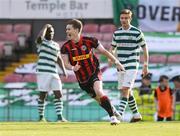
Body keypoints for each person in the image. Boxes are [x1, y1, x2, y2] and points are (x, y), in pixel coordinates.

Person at [60, 19, 125, 125]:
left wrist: (116, 61)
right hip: (82, 80)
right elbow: (66, 64)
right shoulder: (65, 47)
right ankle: (112, 109)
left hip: (94, 72)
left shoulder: (90, 41)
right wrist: (72, 68)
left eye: (69, 29)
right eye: (66, 29)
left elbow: (104, 51)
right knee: (99, 100)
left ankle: (112, 117)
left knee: (99, 91)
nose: (67, 31)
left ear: (77, 30)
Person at [109, 9, 149, 122]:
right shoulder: (117, 33)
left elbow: (145, 48)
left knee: (125, 88)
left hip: (132, 63)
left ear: (130, 19)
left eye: (126, 18)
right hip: (120, 65)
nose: (124, 20)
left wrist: (145, 64)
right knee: (125, 91)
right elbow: (112, 48)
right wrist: (110, 57)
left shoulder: (137, 32)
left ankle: (119, 114)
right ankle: (136, 114)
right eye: (122, 18)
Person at [36, 24, 67, 122]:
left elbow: (58, 58)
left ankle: (59, 117)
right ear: (46, 32)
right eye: (49, 31)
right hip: (43, 72)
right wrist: (45, 27)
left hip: (54, 72)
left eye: (52, 32)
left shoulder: (56, 45)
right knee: (43, 94)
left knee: (58, 93)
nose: (51, 33)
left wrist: (64, 70)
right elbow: (40, 37)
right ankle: (41, 117)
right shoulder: (41, 42)